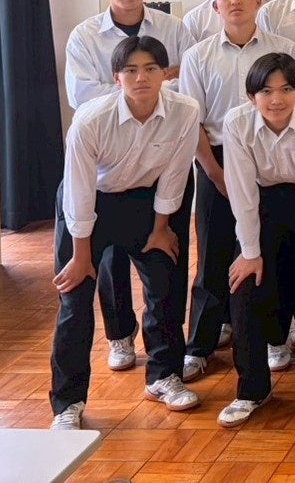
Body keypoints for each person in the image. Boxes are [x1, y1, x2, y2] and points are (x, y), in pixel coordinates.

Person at [49, 36, 201, 430]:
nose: (141, 78)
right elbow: (79, 190)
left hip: (146, 203)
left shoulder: (185, 111)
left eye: (150, 69)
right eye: (130, 70)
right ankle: (68, 403)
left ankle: (164, 376)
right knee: (74, 301)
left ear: (166, 74)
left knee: (165, 284)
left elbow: (175, 175)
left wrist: (161, 228)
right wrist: (81, 256)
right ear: (116, 78)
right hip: (91, 204)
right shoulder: (91, 119)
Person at [64, 0, 195, 373]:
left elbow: (189, 82)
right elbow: (83, 96)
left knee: (166, 258)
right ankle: (119, 336)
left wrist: (139, 85)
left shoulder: (173, 27)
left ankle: (167, 355)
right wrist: (153, 81)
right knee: (108, 262)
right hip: (107, 169)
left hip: (158, 162)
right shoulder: (85, 35)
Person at [177, 0, 295, 381]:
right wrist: (217, 174)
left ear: (259, 1)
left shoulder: (284, 49)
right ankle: (199, 346)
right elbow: (192, 122)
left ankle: (274, 338)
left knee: (271, 251)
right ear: (215, 7)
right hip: (217, 158)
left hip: (272, 156)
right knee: (213, 254)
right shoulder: (198, 56)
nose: (235, 1)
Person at [215, 53, 295, 428]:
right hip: (262, 203)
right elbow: (242, 191)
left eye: (286, 89)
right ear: (251, 96)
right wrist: (249, 252)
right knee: (242, 286)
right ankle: (251, 390)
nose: (276, 100)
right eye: (266, 91)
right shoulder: (237, 122)